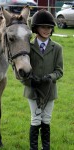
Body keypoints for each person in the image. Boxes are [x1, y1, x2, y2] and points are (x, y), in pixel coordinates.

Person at [21, 9, 64, 150]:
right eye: (43, 27)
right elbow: (21, 72)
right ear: (36, 28)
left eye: (49, 27)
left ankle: (46, 148)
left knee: (46, 119)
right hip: (32, 90)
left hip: (49, 90)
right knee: (35, 119)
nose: (47, 30)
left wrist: (49, 77)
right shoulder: (28, 48)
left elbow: (59, 71)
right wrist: (30, 81)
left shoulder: (57, 48)